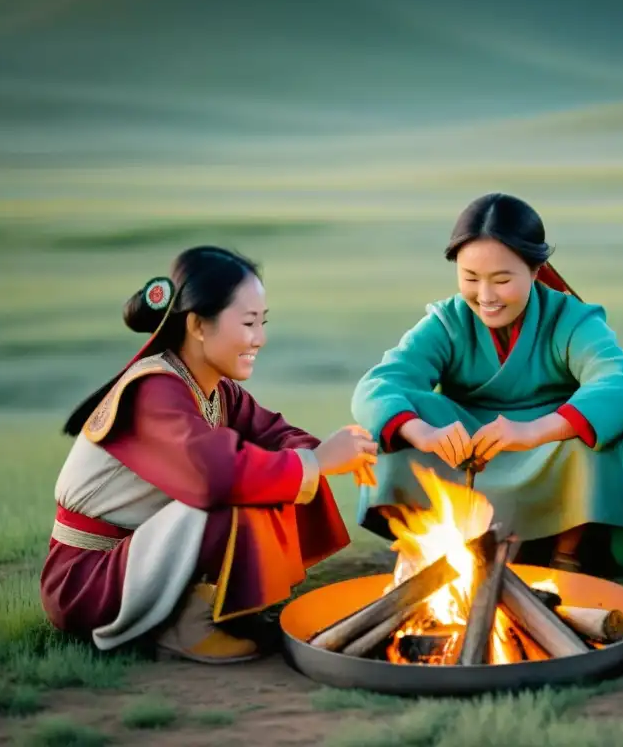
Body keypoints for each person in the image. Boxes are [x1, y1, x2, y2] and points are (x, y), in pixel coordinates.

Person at [41, 246, 378, 664]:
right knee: (239, 491)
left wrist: (331, 452)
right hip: (87, 581)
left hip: (136, 556)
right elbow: (214, 477)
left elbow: (273, 432)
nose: (260, 338)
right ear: (199, 325)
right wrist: (318, 462)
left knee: (270, 476)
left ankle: (207, 604)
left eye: (263, 323)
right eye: (249, 323)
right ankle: (185, 623)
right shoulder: (154, 391)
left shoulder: (214, 388)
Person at [351, 193, 623, 574]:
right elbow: (379, 385)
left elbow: (622, 387)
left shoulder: (571, 318)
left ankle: (567, 556)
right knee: (387, 424)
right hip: (471, 448)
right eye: (470, 279)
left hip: (546, 448)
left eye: (502, 279)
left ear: (537, 270)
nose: (486, 297)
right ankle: (426, 543)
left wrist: (534, 431)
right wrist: (423, 433)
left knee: (597, 432)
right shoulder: (447, 321)